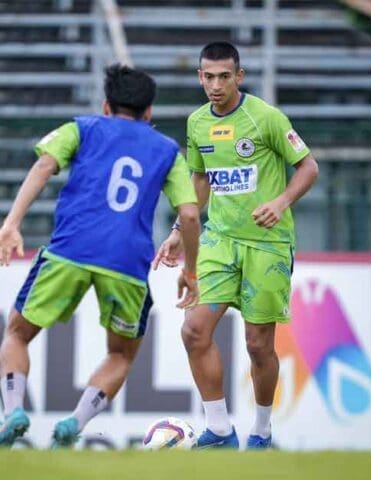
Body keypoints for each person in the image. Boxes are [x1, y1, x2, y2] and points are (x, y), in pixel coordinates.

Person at [0, 64, 201, 447]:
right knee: (121, 355)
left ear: (106, 106)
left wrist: (11, 223)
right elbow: (190, 214)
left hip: (70, 252)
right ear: (149, 112)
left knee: (17, 333)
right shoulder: (166, 151)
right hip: (127, 265)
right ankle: (73, 426)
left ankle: (13, 412)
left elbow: (45, 164)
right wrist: (190, 270)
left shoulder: (83, 127)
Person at [153, 41, 319, 449]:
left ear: (239, 77)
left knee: (257, 344)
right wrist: (177, 230)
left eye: (224, 76)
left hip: (267, 245)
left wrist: (281, 202)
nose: (215, 84)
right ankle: (220, 429)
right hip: (219, 241)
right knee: (194, 330)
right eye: (208, 76)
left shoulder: (265, 118)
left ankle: (261, 432)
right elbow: (200, 181)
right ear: (199, 77)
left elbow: (308, 167)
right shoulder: (196, 124)